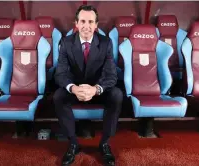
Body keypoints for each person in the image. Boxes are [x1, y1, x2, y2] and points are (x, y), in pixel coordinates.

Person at [53, 5, 123, 166]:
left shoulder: (106, 43)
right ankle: (72, 143)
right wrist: (74, 88)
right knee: (58, 96)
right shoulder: (66, 42)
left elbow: (111, 75)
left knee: (117, 95)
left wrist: (96, 89)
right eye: (83, 21)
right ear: (76, 24)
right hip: (75, 89)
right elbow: (61, 73)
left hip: (97, 89)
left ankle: (105, 143)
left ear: (96, 25)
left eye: (91, 22)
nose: (87, 26)